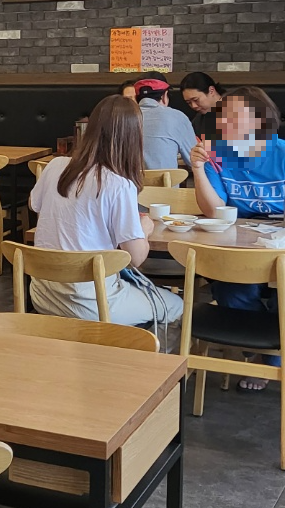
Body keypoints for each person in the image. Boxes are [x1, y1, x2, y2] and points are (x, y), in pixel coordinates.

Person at [29, 95, 183, 327]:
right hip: (92, 303)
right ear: (134, 136)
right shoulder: (119, 184)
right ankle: (130, 350)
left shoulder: (55, 166)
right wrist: (144, 228)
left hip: (44, 293)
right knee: (177, 305)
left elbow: (34, 204)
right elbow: (136, 258)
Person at [192, 86, 285, 392]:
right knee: (229, 287)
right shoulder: (218, 155)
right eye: (222, 116)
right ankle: (264, 353)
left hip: (280, 249)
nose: (223, 123)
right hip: (239, 249)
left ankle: (271, 359)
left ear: (260, 119)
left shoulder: (281, 153)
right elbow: (214, 211)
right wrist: (198, 168)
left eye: (234, 116)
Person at [134, 76, 196, 172]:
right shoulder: (177, 117)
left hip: (129, 181)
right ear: (164, 96)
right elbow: (193, 161)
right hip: (164, 181)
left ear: (136, 98)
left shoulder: (122, 118)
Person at [180, 71, 226, 141]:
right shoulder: (198, 120)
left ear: (211, 91)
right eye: (189, 102)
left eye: (196, 100)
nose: (194, 106)